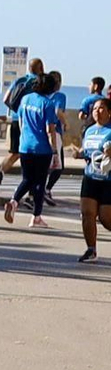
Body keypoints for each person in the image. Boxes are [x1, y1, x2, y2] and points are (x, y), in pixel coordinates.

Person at [5, 71, 61, 228]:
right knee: (39, 183)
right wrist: (55, 152)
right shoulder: (47, 104)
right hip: (42, 149)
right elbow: (50, 130)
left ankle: (14, 201)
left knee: (27, 178)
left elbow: (22, 123)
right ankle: (36, 217)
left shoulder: (25, 99)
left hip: (25, 146)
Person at [0, 57, 46, 184]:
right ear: (40, 68)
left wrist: (16, 111)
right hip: (29, 123)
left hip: (15, 120)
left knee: (14, 152)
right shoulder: (38, 83)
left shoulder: (20, 80)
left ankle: (1, 171)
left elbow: (5, 99)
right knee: (29, 154)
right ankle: (28, 185)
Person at [76, 97, 111, 262]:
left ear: (109, 112)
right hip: (90, 178)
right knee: (87, 213)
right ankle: (91, 249)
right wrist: (80, 153)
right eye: (95, 108)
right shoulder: (89, 130)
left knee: (106, 218)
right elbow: (87, 152)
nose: (98, 111)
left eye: (102, 108)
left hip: (108, 180)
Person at [44, 71, 69, 205]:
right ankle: (46, 189)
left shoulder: (43, 96)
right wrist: (66, 123)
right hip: (55, 132)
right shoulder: (59, 96)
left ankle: (39, 189)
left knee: (45, 163)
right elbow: (58, 111)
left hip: (42, 132)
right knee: (58, 166)